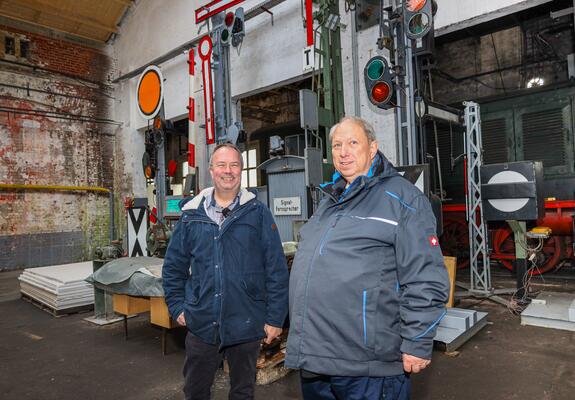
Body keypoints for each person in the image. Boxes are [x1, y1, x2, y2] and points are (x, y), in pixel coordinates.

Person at [285, 116, 450, 400]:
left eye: (353, 143)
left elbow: (425, 276)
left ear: (372, 148)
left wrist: (418, 340)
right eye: (337, 145)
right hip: (316, 359)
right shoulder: (328, 202)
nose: (343, 151)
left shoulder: (402, 199)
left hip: (368, 366)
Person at [162, 143, 289, 400]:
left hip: (246, 321)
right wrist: (177, 306)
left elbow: (276, 268)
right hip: (201, 320)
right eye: (222, 165)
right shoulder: (191, 216)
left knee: (242, 392)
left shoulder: (258, 213)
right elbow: (173, 267)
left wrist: (275, 318)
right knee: (195, 390)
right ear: (211, 170)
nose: (228, 171)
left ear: (241, 171)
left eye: (234, 165)